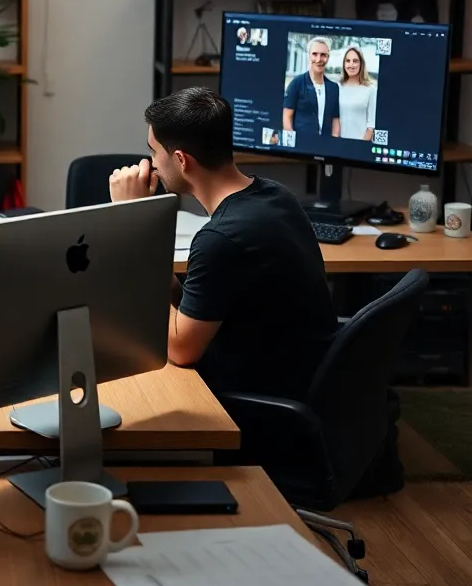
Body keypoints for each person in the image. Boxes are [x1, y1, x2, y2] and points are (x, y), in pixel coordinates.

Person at [108, 87, 336, 402]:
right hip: (304, 377)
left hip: (258, 399)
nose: (152, 164)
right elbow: (195, 302)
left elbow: (180, 349)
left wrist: (129, 220)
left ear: (181, 160)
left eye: (154, 152)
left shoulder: (220, 238)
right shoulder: (276, 194)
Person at [282, 37, 340, 137]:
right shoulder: (296, 83)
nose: (318, 59)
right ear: (309, 55)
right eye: (314, 54)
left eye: (323, 55)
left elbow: (335, 119)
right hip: (301, 143)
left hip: (325, 144)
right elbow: (287, 117)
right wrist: (292, 142)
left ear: (328, 57)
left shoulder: (334, 88)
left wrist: (333, 140)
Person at [338, 46, 377, 142]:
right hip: (339, 144)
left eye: (355, 61)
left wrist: (360, 146)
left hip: (360, 144)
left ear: (361, 64)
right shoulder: (337, 87)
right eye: (348, 61)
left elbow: (371, 125)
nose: (351, 64)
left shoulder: (370, 89)